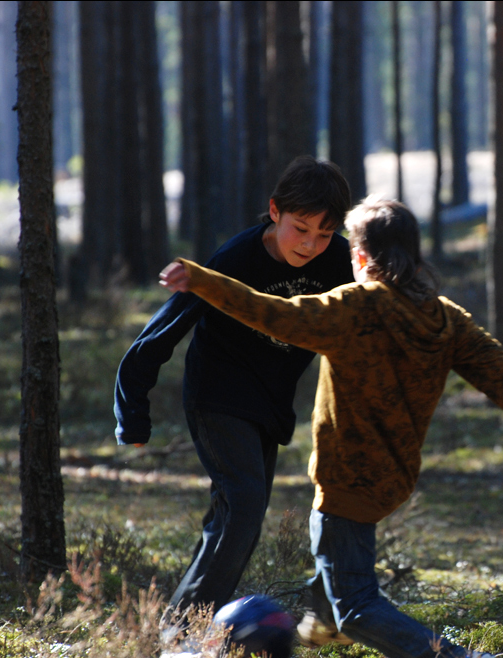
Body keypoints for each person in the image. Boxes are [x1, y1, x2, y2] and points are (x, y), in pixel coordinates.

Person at [159, 196, 503, 658]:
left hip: (347, 479)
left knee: (357, 604)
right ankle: (322, 623)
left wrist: (201, 279)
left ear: (359, 257)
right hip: (394, 478)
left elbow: (273, 314)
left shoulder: (354, 308)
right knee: (334, 557)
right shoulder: (445, 318)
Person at [114, 156, 354, 615]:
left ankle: (186, 623)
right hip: (217, 397)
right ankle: (182, 631)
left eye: (324, 234)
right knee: (243, 506)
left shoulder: (340, 261)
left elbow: (369, 320)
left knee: (238, 515)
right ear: (274, 210)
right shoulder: (237, 258)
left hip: (270, 405)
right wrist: (132, 416)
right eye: (300, 228)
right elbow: (162, 331)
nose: (310, 244)